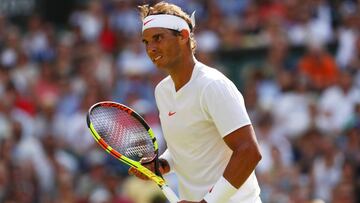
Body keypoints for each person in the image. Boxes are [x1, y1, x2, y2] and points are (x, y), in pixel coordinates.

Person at [128, 2, 262, 203]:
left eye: (158, 38)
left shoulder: (213, 86)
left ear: (182, 36)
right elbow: (185, 146)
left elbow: (249, 152)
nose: (151, 48)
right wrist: (164, 163)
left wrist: (208, 202)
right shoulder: (162, 91)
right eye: (146, 42)